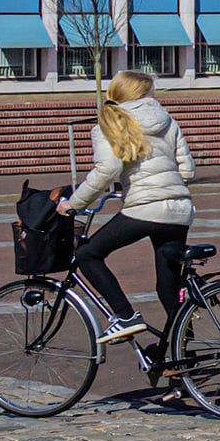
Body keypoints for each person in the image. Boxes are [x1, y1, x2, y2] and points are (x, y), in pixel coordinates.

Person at [62, 73, 197, 355]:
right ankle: (183, 358)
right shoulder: (166, 119)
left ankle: (125, 316)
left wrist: (73, 203)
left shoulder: (111, 121)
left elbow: (108, 169)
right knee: (168, 286)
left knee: (87, 254)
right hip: (180, 209)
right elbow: (187, 171)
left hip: (145, 206)